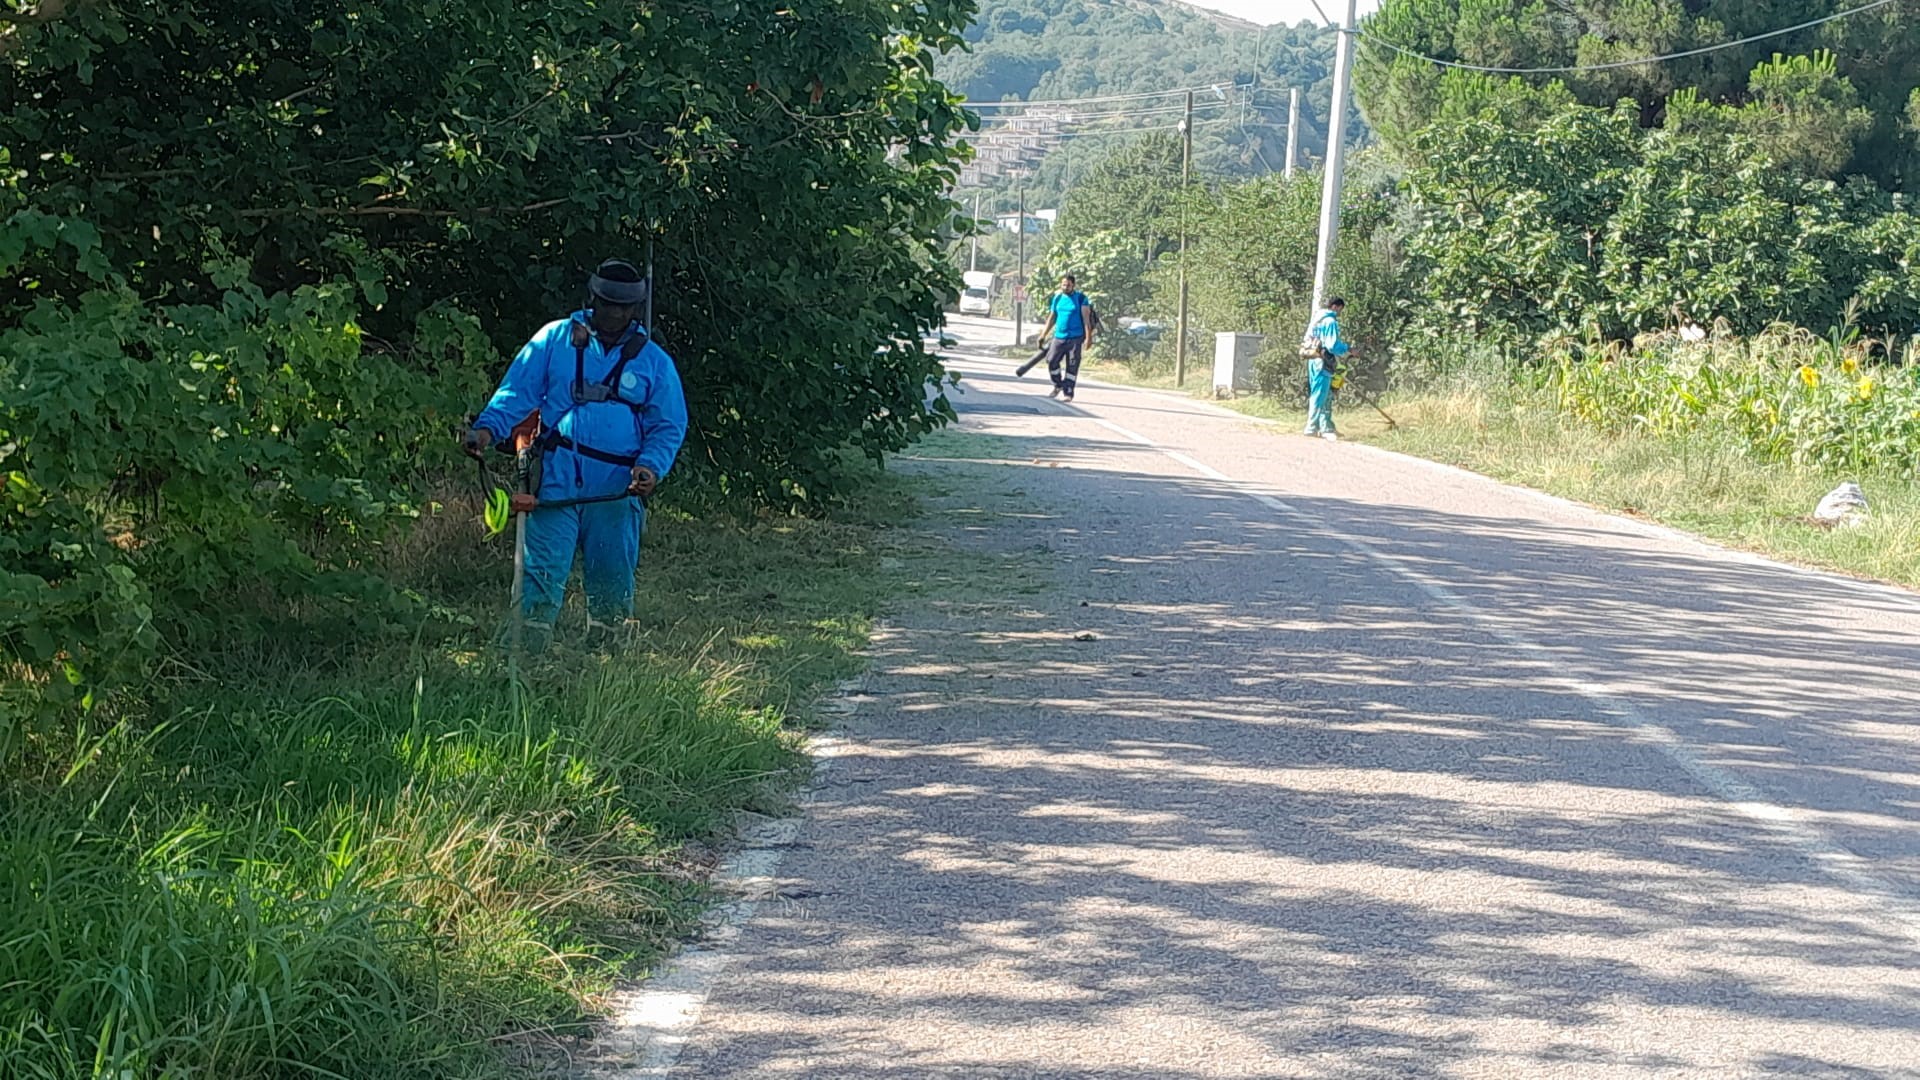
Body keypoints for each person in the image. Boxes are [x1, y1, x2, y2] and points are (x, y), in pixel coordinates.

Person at [463, 258, 688, 645]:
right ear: (592, 299)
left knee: (612, 579)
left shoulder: (654, 362)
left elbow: (667, 424)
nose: (615, 313)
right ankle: (523, 660)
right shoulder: (553, 340)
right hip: (556, 480)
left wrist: (650, 467)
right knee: (541, 572)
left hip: (617, 490)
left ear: (635, 309)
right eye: (607, 304)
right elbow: (517, 393)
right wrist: (486, 430)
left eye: (624, 307)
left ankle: (607, 665)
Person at [1016, 273, 1099, 402]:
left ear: (1073, 286)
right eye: (1063, 284)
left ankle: (1069, 392)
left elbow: (1086, 320)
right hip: (1059, 336)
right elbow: (1052, 317)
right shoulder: (1058, 298)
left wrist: (1088, 338)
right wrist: (1043, 334)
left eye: (1068, 285)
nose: (1065, 287)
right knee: (1051, 360)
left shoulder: (1081, 299)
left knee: (1072, 364)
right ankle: (1058, 384)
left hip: (1075, 338)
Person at [1303, 296, 1349, 440]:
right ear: (1335, 307)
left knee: (1324, 394)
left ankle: (1325, 427)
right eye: (1340, 309)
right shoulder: (1330, 321)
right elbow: (1332, 345)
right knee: (1320, 394)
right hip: (1323, 361)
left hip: (1312, 359)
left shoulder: (1316, 320)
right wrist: (1347, 349)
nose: (1340, 313)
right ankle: (1311, 427)